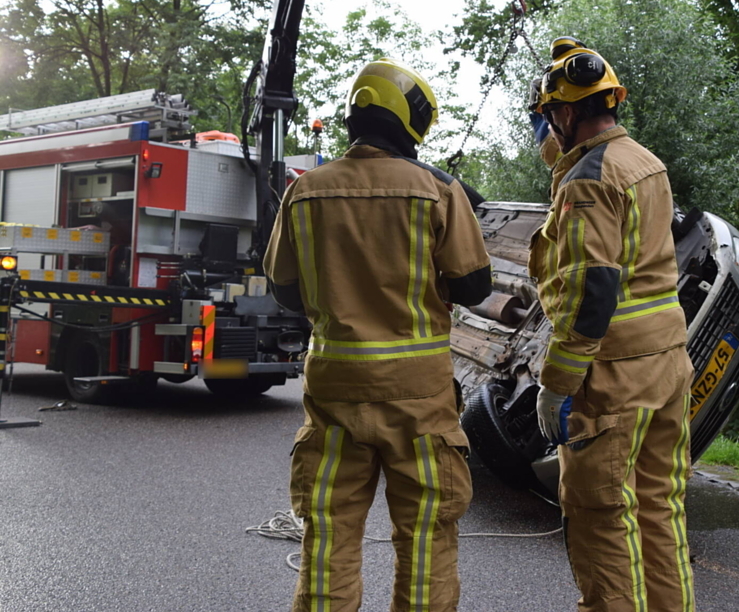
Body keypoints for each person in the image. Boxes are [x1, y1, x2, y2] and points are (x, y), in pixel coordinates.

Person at [263, 58, 492, 612]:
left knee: (329, 536)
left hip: (335, 394)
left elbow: (285, 290)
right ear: (412, 123)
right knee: (425, 536)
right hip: (418, 400)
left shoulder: (306, 190)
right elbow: (473, 286)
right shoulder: (437, 190)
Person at [530, 37, 696, 612]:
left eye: (552, 116)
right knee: (660, 510)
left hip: (615, 373)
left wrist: (557, 385)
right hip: (667, 363)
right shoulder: (645, 161)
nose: (549, 128)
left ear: (569, 112)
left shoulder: (587, 180)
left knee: (602, 516)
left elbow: (591, 292)